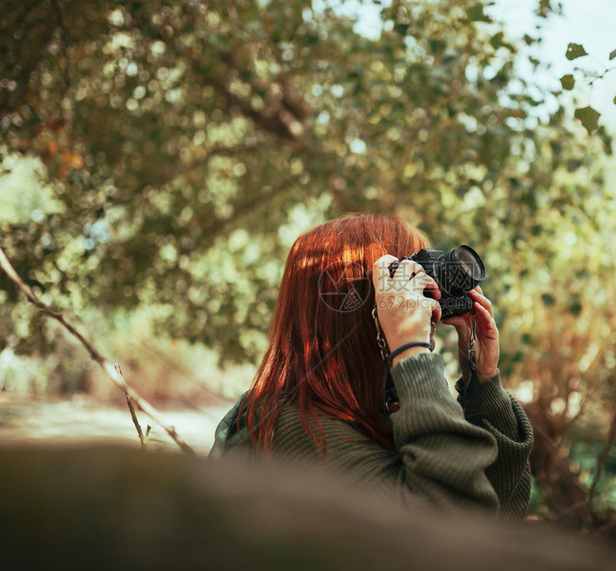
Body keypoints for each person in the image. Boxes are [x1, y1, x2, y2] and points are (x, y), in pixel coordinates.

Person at [210, 213, 533, 521]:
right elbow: (448, 523)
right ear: (358, 304)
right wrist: (411, 349)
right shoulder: (294, 424)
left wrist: (483, 381)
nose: (426, 302)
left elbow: (498, 519)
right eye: (408, 282)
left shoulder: (386, 407)